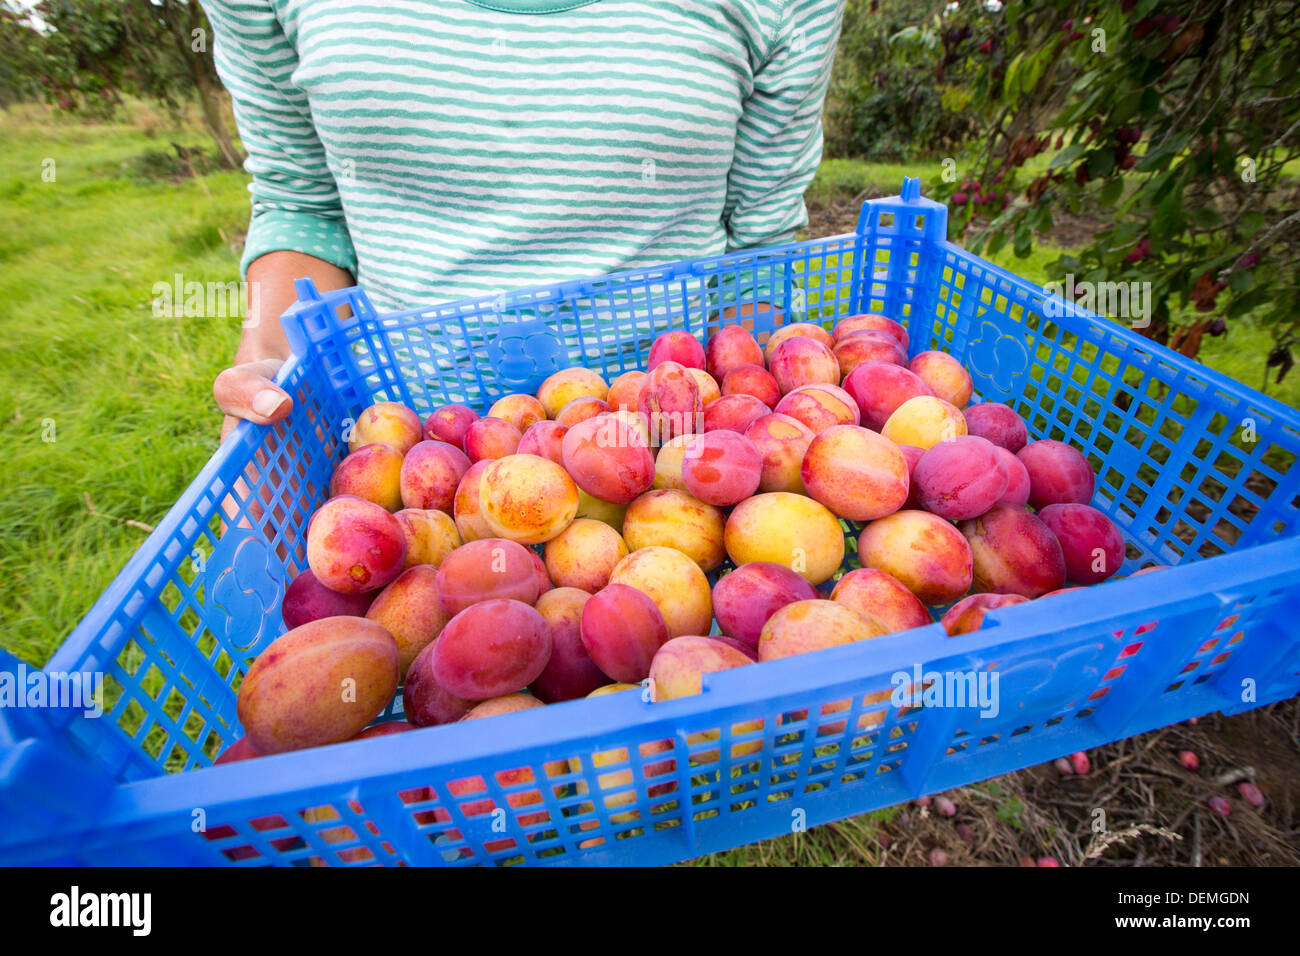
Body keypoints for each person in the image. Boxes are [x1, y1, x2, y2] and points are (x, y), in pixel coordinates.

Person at [208, 0, 844, 437]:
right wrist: (273, 362)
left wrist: (740, 437)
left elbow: (757, 248)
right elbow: (304, 203)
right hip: (402, 449)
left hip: (669, 455)